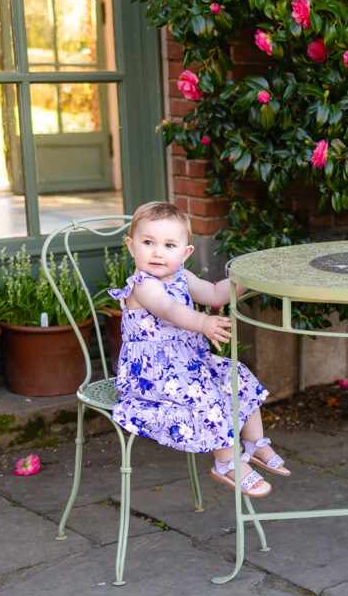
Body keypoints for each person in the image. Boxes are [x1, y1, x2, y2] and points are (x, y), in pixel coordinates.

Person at [110, 201, 290, 497]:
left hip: (190, 363)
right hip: (153, 374)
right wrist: (203, 322)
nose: (157, 252)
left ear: (185, 252)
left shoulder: (183, 276)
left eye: (169, 245)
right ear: (131, 246)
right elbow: (169, 309)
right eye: (148, 242)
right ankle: (226, 463)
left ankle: (254, 443)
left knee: (237, 373)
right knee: (203, 394)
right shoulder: (143, 286)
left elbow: (217, 293)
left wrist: (243, 277)